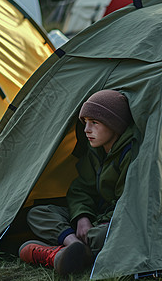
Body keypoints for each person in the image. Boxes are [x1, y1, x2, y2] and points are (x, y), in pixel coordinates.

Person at [19, 89, 136, 275]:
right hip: (91, 219)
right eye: (85, 122)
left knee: (101, 236)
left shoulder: (129, 154)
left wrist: (96, 223)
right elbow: (80, 190)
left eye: (94, 123)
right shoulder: (94, 152)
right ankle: (73, 245)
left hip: (111, 222)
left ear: (115, 125)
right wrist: (82, 217)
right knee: (37, 213)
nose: (86, 129)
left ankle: (57, 255)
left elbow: (128, 203)